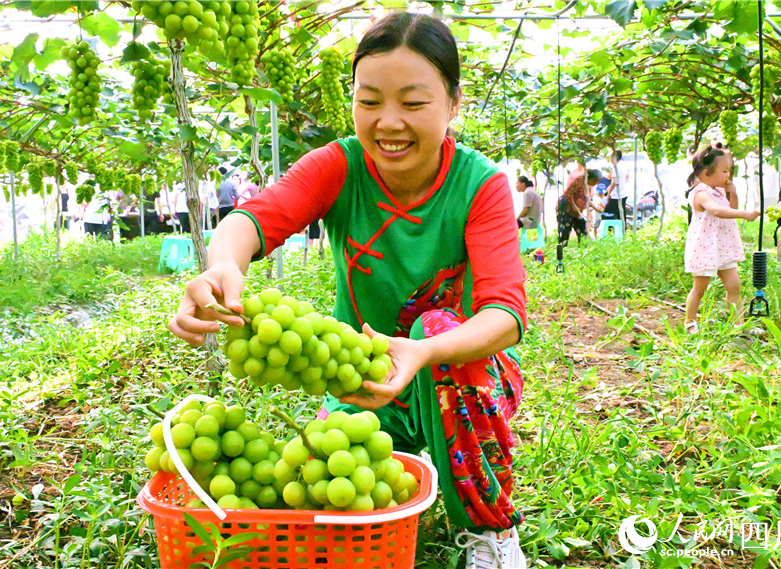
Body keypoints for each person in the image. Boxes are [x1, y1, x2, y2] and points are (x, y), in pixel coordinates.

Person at [168, 13, 528, 569]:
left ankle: (489, 529)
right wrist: (222, 267)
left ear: (453, 103)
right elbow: (254, 219)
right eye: (369, 101)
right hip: (360, 377)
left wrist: (425, 351)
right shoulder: (339, 165)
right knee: (337, 492)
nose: (388, 122)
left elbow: (505, 314)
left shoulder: (479, 185)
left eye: (412, 103)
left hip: (449, 374)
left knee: (437, 326)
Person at [684, 146, 760, 333]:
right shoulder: (701, 193)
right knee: (700, 287)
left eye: (730, 170)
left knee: (734, 285)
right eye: (725, 171)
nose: (728, 174)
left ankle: (738, 324)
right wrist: (744, 214)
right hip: (706, 247)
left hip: (723, 246)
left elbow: (730, 206)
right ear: (706, 173)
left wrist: (732, 193)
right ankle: (689, 322)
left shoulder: (718, 191)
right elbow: (717, 211)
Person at [557, 169, 600, 246]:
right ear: (592, 179)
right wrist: (576, 208)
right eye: (596, 181)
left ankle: (583, 249)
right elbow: (569, 196)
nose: (597, 183)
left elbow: (587, 199)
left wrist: (595, 207)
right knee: (565, 231)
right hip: (566, 208)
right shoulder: (579, 182)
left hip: (576, 211)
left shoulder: (588, 186)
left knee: (583, 230)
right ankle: (562, 250)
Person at [601, 150, 625, 222]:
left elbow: (614, 182)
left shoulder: (616, 167)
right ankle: (622, 230)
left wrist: (609, 193)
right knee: (620, 215)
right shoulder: (623, 166)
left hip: (615, 196)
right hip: (622, 194)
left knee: (607, 215)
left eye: (611, 157)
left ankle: (610, 231)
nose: (610, 159)